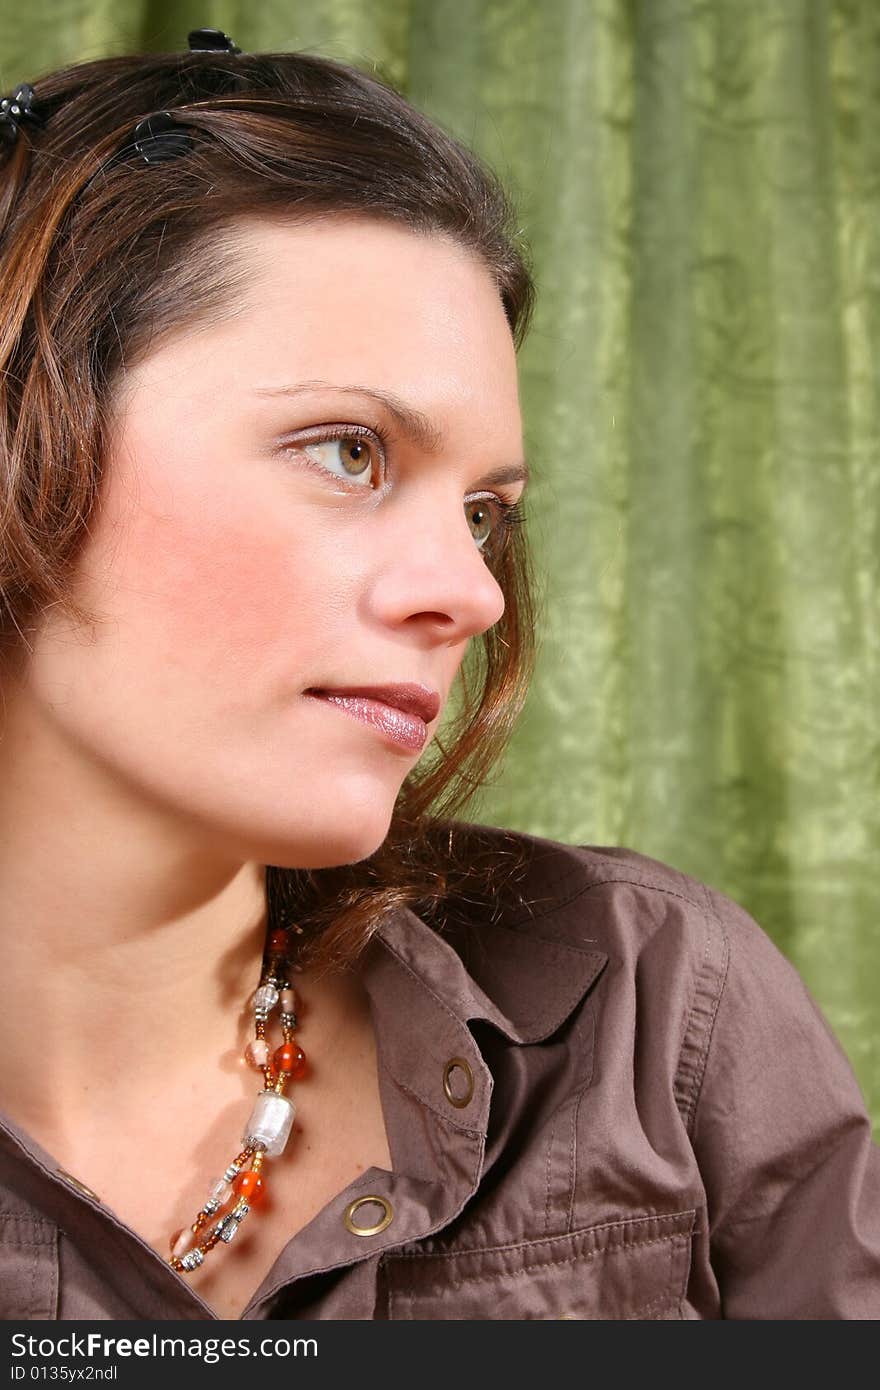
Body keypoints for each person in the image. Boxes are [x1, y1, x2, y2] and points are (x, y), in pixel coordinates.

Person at [0, 28, 877, 1324]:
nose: (470, 593)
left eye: (481, 512)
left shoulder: (653, 1014)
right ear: (29, 431)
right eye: (348, 451)